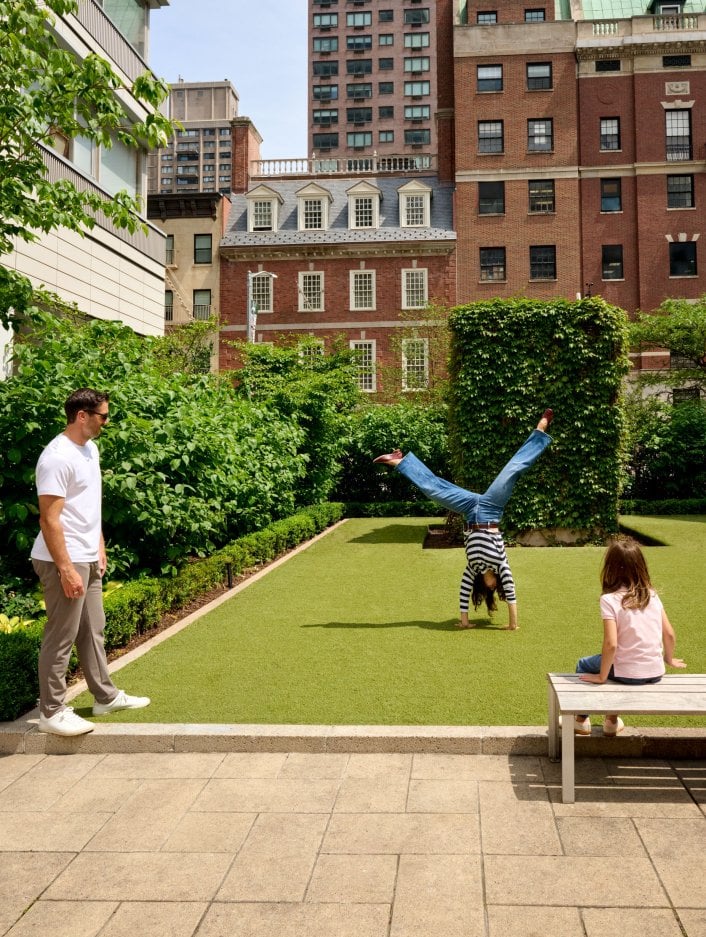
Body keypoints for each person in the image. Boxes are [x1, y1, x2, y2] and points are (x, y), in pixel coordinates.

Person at [31, 388, 150, 736]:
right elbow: (49, 520)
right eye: (103, 416)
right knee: (61, 636)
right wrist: (66, 568)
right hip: (61, 559)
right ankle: (51, 712)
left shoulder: (90, 449)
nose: (106, 422)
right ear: (82, 416)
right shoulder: (56, 457)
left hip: (87, 555)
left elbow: (87, 505)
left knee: (92, 630)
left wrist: (98, 543)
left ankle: (105, 696)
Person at [373, 410, 553, 630]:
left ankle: (399, 461)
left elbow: (463, 592)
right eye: (497, 585)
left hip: (469, 511)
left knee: (435, 491)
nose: (496, 585)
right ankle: (540, 429)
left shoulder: (472, 569)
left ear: (484, 586)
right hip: (491, 508)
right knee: (512, 470)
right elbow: (512, 590)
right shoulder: (501, 564)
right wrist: (513, 624)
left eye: (492, 588)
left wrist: (465, 622)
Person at [574, 537, 686, 736]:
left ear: (610, 568)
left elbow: (611, 644)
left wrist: (601, 676)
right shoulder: (652, 595)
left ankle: (581, 720)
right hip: (655, 671)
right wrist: (668, 659)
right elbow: (669, 633)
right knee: (614, 664)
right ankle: (611, 721)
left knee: (584, 665)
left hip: (627, 672)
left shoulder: (609, 600)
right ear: (640, 567)